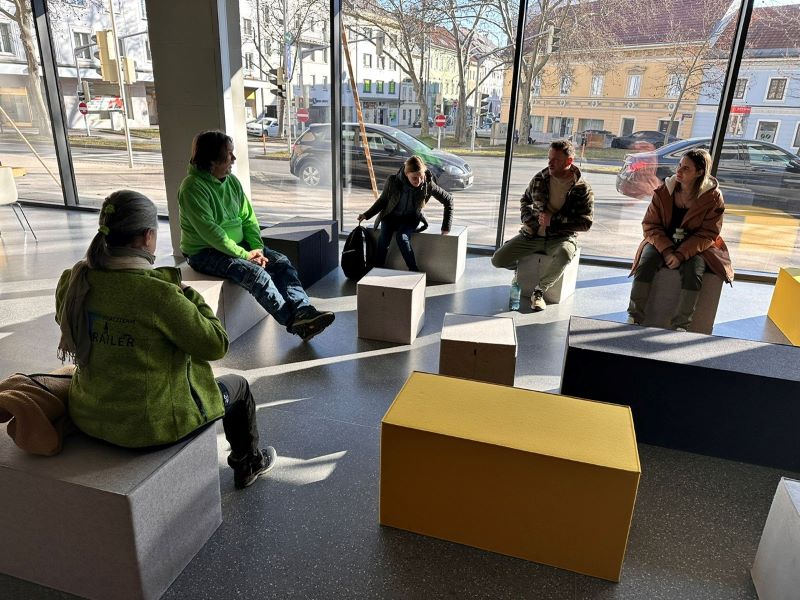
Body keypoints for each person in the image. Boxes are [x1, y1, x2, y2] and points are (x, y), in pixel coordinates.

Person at [55, 190, 276, 489]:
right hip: (149, 427)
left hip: (87, 413)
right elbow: (215, 344)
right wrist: (190, 295)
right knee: (239, 387)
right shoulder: (159, 294)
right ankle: (248, 462)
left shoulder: (73, 279)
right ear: (148, 236)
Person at [178, 130, 334, 341]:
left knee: (281, 262)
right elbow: (212, 233)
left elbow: (248, 219)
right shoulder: (192, 188)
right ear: (212, 159)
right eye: (229, 154)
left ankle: (303, 311)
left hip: (238, 245)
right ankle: (295, 323)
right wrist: (245, 255)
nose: (234, 158)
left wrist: (256, 248)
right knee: (256, 274)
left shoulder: (231, 181)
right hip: (204, 252)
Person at [627, 148, 734, 330]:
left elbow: (709, 233)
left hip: (697, 245)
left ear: (699, 172)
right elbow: (650, 225)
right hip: (661, 241)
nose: (679, 171)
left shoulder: (713, 197)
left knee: (694, 271)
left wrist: (681, 254)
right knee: (646, 263)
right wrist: (668, 250)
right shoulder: (663, 191)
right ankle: (634, 316)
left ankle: (681, 325)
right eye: (679, 165)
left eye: (686, 168)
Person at [491, 139, 594, 311]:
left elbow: (586, 223)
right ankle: (520, 270)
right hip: (532, 235)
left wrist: (552, 220)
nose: (550, 163)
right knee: (498, 259)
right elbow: (525, 200)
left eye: (556, 160)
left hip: (560, 238)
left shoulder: (582, 189)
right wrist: (528, 220)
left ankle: (539, 291)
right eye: (549, 158)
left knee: (565, 253)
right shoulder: (540, 178)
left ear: (569, 161)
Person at [357, 155, 453, 272]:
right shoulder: (393, 181)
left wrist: (446, 227)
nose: (418, 181)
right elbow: (382, 201)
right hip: (390, 217)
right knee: (383, 239)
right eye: (414, 178)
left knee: (402, 238)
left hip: (410, 219)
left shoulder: (428, 184)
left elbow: (448, 200)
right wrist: (366, 214)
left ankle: (414, 270)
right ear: (406, 174)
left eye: (421, 177)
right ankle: (376, 269)